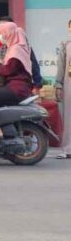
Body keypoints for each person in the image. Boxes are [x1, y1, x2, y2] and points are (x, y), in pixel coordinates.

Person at [0, 20, 33, 139]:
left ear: (9, 33)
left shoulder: (16, 50)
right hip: (17, 86)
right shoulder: (17, 47)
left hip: (17, 88)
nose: (1, 36)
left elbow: (8, 70)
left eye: (3, 33)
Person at [56, 18, 71, 159]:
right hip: (69, 85)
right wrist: (58, 84)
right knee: (69, 117)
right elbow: (61, 66)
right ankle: (68, 148)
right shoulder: (66, 45)